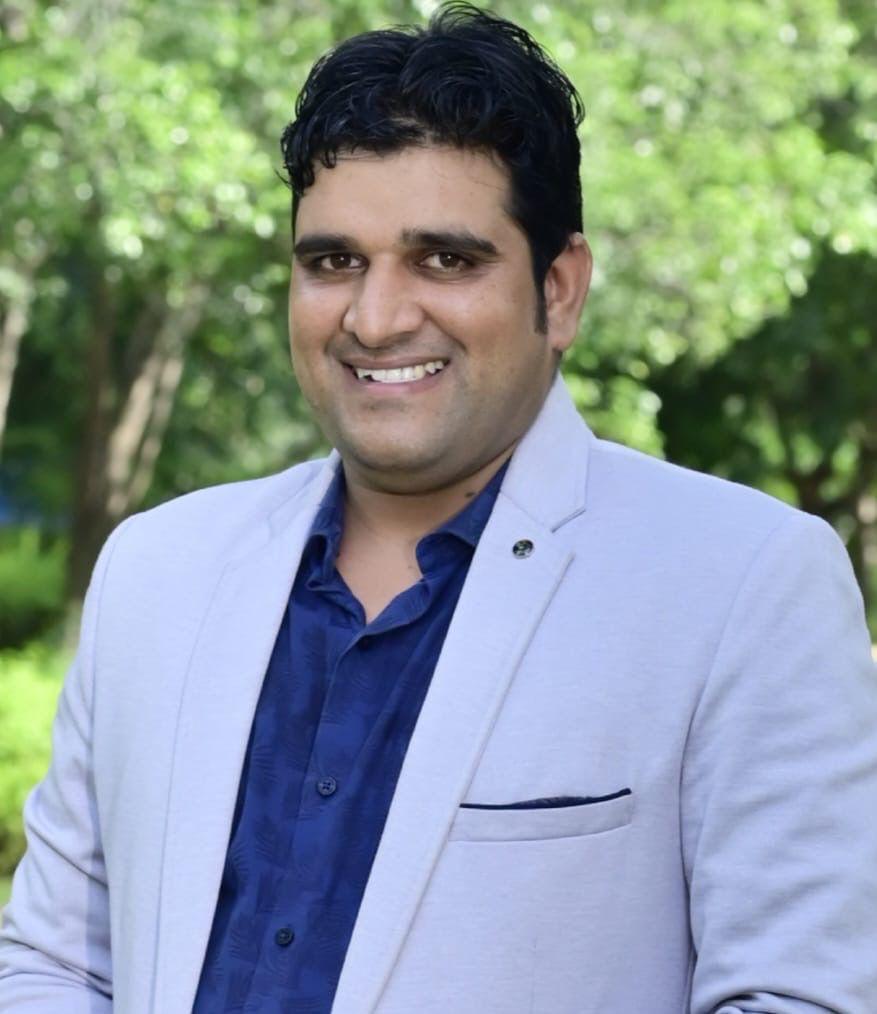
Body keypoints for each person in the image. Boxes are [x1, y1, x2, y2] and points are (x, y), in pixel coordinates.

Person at [2, 3, 876, 1012]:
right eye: (333, 261)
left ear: (560, 290)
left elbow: (800, 994)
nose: (375, 318)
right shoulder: (157, 568)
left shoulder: (742, 582)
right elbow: (56, 965)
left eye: (444, 260)